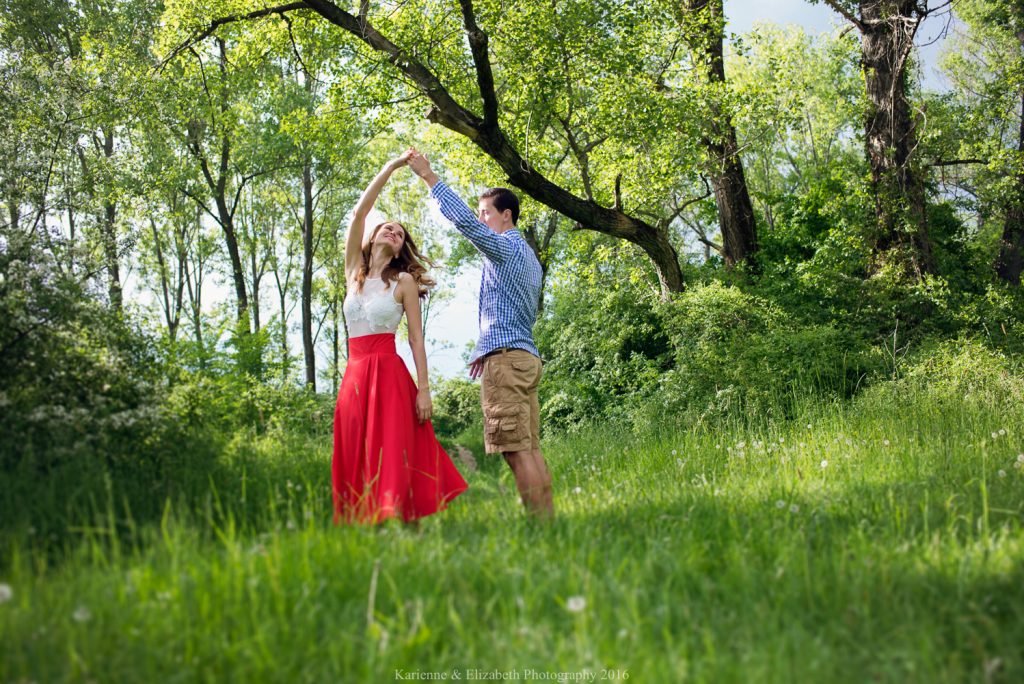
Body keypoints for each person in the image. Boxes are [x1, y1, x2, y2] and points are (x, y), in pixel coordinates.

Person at [407, 149, 554, 518]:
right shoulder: (530, 259)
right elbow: (509, 310)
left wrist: (429, 177)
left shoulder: (504, 247)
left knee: (515, 451)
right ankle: (549, 524)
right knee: (530, 448)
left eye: (485, 212)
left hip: (507, 362)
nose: (480, 218)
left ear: (507, 215)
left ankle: (540, 529)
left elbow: (464, 224)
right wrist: (486, 348)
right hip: (523, 357)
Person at [332, 149, 468, 525]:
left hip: (389, 374)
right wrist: (391, 166)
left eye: (400, 234)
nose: (394, 233)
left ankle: (407, 527)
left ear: (398, 250)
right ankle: (364, 525)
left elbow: (416, 340)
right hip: (355, 375)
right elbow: (359, 213)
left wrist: (424, 390)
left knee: (393, 451)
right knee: (355, 448)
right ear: (374, 236)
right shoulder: (354, 272)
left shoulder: (404, 281)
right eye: (388, 228)